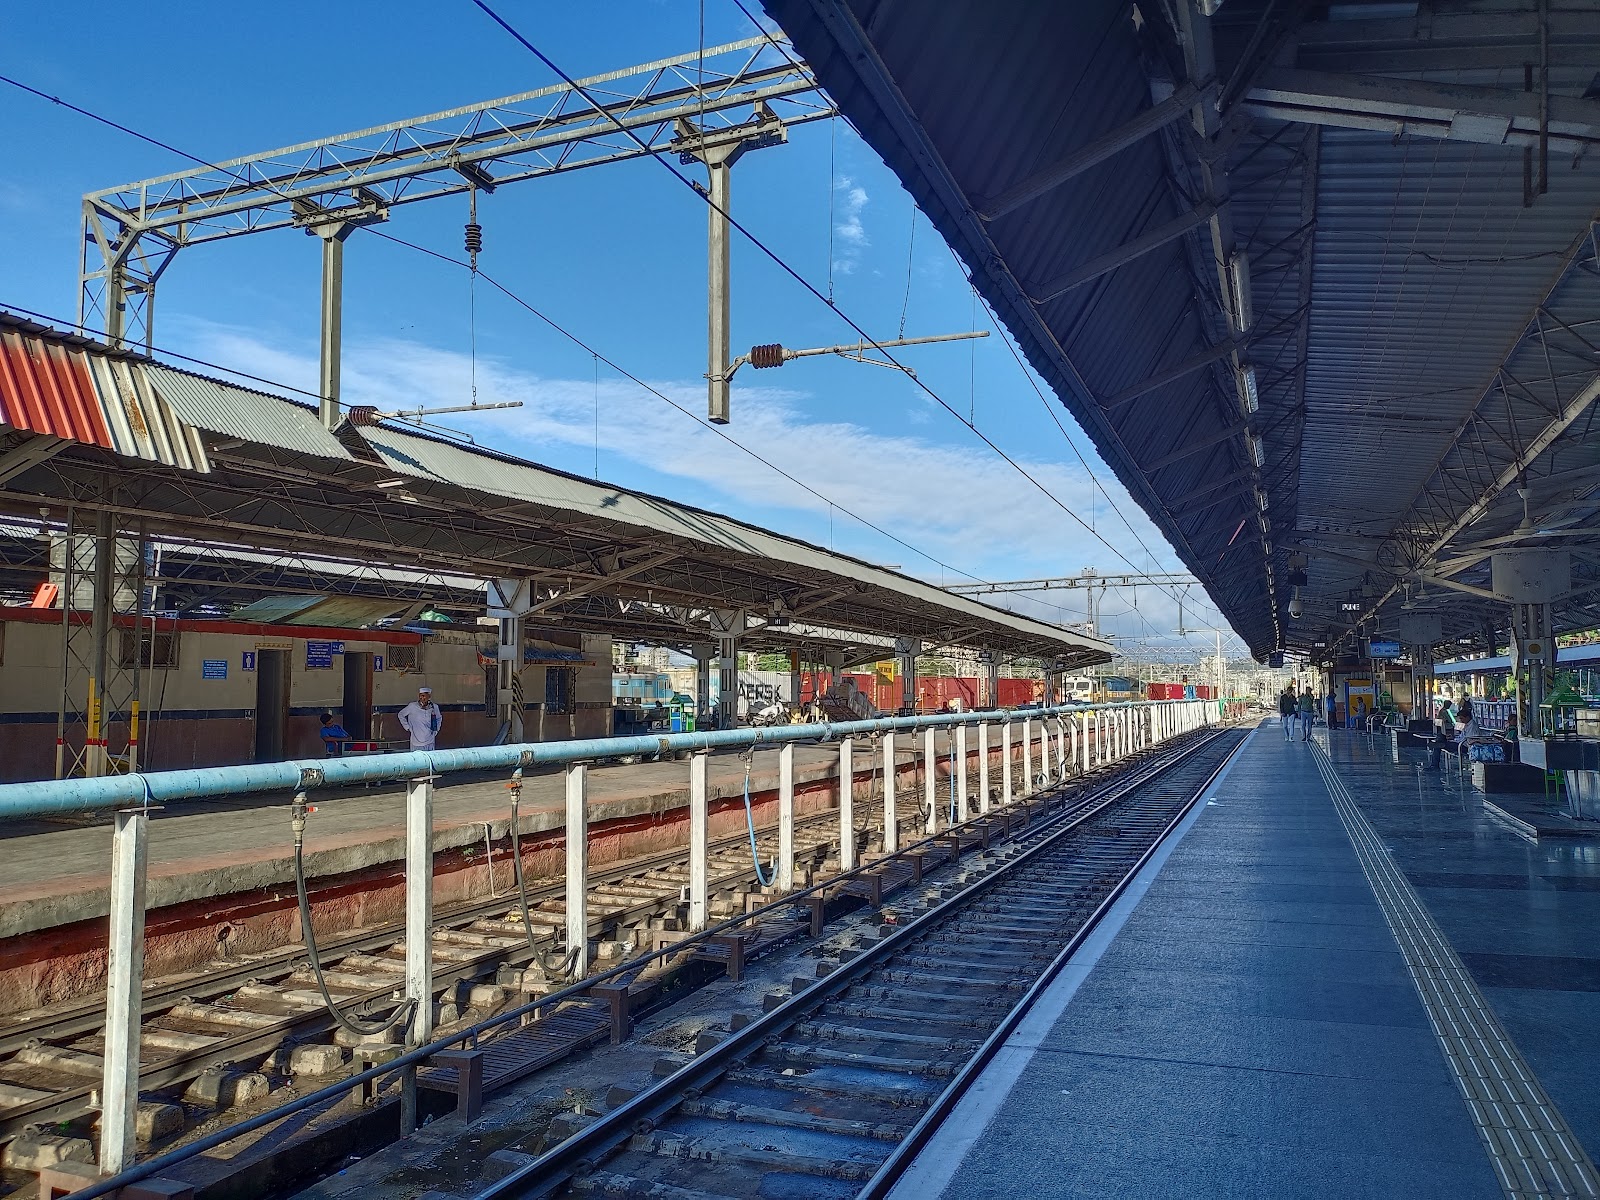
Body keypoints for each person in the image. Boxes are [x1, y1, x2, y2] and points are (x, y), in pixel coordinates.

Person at [397, 686, 443, 752]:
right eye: (420, 696)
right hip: (416, 740)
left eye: (424, 696)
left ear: (429, 696)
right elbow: (401, 714)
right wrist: (407, 727)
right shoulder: (412, 706)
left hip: (430, 739)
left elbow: (439, 718)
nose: (422, 698)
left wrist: (436, 730)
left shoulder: (434, 707)